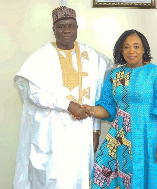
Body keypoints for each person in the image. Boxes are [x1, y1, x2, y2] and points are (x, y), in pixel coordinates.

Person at [13, 6, 113, 189]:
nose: (66, 30)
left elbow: (98, 96)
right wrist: (67, 105)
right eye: (61, 26)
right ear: (53, 30)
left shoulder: (93, 57)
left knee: (80, 180)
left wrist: (96, 131)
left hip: (82, 133)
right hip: (51, 134)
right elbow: (34, 95)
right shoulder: (41, 57)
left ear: (76, 27)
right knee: (52, 180)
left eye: (71, 26)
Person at [82, 29, 157, 188]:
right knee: (104, 176)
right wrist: (90, 110)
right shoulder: (114, 75)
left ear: (143, 49)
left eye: (136, 46)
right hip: (120, 139)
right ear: (121, 50)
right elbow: (108, 108)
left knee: (151, 177)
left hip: (149, 136)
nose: (131, 51)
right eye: (126, 47)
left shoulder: (156, 73)